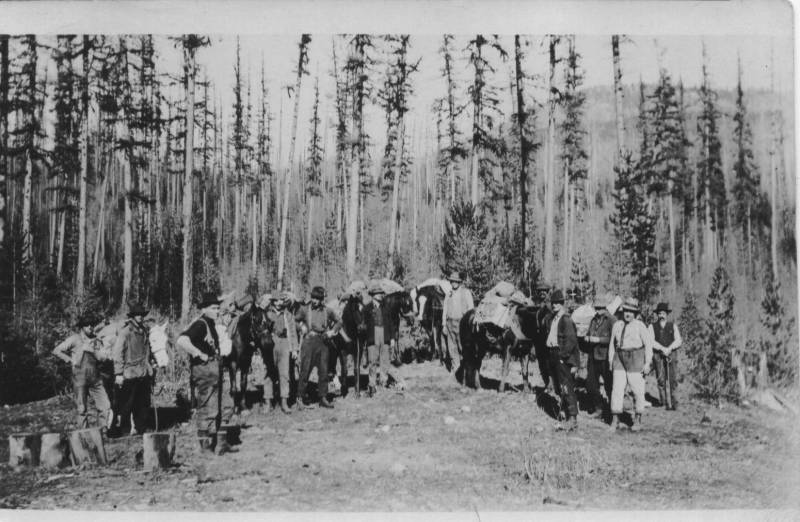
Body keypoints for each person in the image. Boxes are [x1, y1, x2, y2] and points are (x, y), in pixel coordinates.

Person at [177, 292, 233, 453]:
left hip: (216, 370)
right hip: (205, 372)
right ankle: (205, 446)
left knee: (226, 406)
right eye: (214, 308)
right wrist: (198, 353)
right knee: (207, 409)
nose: (217, 311)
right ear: (205, 309)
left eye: (218, 308)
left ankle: (221, 443)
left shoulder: (211, 324)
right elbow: (182, 340)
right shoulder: (200, 324)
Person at [53, 312, 113, 430]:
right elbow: (57, 350)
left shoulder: (97, 341)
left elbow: (103, 358)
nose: (90, 327)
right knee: (81, 409)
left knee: (105, 405)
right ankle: (83, 435)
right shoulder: (75, 339)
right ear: (82, 327)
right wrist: (69, 360)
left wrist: (92, 350)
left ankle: (102, 431)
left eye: (91, 325)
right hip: (79, 378)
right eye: (87, 325)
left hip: (95, 378)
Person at [608, 297, 654, 432]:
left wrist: (647, 363)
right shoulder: (617, 325)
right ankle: (615, 419)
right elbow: (612, 344)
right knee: (617, 389)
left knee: (637, 390)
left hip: (636, 358)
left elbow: (648, 346)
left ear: (636, 314)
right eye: (626, 311)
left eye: (631, 312)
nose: (628, 314)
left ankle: (638, 419)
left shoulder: (640, 326)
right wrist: (611, 361)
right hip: (619, 358)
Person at [112, 302, 154, 436]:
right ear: (133, 316)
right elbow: (117, 353)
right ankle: (125, 430)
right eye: (137, 315)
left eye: (142, 315)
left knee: (142, 403)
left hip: (143, 372)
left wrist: (151, 363)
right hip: (129, 373)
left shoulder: (145, 331)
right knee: (127, 404)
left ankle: (140, 429)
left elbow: (148, 350)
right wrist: (118, 373)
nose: (140, 317)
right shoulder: (126, 332)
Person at [295, 286, 341, 409]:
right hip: (309, 342)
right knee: (305, 370)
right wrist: (301, 328)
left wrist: (332, 331)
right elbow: (293, 321)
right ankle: (300, 398)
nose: (314, 300)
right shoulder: (304, 309)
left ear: (322, 299)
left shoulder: (328, 311)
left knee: (324, 371)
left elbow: (339, 321)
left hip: (323, 342)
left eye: (317, 298)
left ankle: (323, 398)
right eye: (313, 297)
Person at [545, 289, 580, 431]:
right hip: (553, 354)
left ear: (562, 304)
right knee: (559, 387)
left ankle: (572, 418)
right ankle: (565, 413)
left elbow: (571, 341)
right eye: (553, 303)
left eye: (557, 303)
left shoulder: (565, 319)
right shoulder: (554, 319)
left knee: (566, 387)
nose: (554, 306)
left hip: (561, 356)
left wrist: (562, 356)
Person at [584, 292, 617, 419]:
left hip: (606, 357)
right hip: (593, 356)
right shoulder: (593, 320)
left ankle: (612, 410)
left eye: (600, 308)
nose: (598, 311)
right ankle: (599, 408)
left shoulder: (611, 320)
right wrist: (587, 337)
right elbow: (589, 332)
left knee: (609, 385)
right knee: (590, 385)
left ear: (605, 307)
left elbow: (615, 339)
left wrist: (598, 340)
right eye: (596, 308)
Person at [262, 291, 292, 414]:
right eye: (278, 300)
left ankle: (284, 402)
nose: (280, 302)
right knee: (268, 373)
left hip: (284, 342)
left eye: (282, 300)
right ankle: (268, 402)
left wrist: (294, 348)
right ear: (273, 301)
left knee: (284, 374)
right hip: (271, 343)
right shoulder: (267, 314)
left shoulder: (288, 315)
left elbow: (293, 332)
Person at [649, 302, 682, 410]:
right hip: (658, 354)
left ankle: (674, 402)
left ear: (667, 314)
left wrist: (669, 349)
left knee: (673, 379)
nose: (661, 315)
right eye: (659, 313)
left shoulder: (673, 325)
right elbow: (651, 341)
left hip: (671, 354)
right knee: (661, 379)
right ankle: (663, 402)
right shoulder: (652, 326)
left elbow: (678, 340)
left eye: (663, 313)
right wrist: (662, 349)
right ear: (657, 315)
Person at [442, 271, 474, 372]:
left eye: (456, 281)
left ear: (459, 282)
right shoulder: (448, 294)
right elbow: (445, 309)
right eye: (452, 281)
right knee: (451, 347)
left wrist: (469, 324)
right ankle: (455, 369)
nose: (454, 283)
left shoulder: (466, 292)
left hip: (462, 323)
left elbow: (471, 309)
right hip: (450, 323)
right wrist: (444, 324)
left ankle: (464, 369)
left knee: (462, 346)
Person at [532, 284, 554, 391]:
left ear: (548, 292)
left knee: (549, 362)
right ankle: (546, 383)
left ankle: (551, 384)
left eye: (544, 291)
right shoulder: (536, 304)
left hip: (549, 339)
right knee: (541, 362)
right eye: (540, 291)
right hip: (539, 339)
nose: (542, 293)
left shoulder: (550, 304)